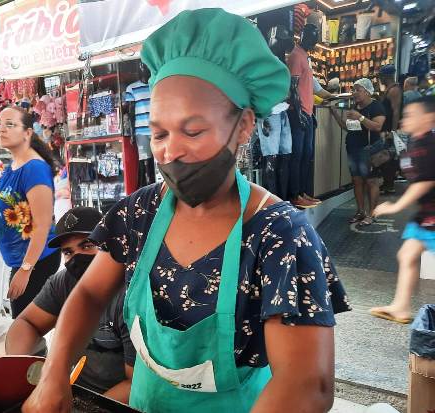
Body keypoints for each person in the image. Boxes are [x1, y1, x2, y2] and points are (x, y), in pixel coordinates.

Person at [23, 9, 350, 413]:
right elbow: (89, 294)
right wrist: (55, 372)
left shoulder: (279, 236)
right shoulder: (138, 214)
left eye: (192, 131)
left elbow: (306, 385)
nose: (170, 151)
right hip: (145, 402)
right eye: (159, 132)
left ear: (244, 125)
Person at [5, 207, 134, 402]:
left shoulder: (129, 295)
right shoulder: (63, 282)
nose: (77, 258)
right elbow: (27, 323)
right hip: (73, 391)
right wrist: (24, 372)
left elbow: (137, 383)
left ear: (107, 245)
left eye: (87, 245)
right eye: (68, 252)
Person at [0, 106, 61, 317]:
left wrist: (25, 270)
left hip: (35, 261)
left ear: (28, 133)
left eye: (10, 124)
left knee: (25, 327)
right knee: (23, 324)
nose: (1, 129)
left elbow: (42, 225)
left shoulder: (34, 169)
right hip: (22, 260)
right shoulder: (13, 165)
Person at [371, 96, 435, 323]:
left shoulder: (428, 144)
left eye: (411, 114)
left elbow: (424, 182)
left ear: (428, 118)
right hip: (426, 215)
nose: (405, 118)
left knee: (408, 255)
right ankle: (401, 307)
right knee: (407, 255)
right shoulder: (416, 142)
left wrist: (395, 206)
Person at [330, 78, 386, 226]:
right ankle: (360, 211)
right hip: (353, 148)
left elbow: (377, 127)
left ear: (367, 92)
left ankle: (372, 213)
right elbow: (349, 128)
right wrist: (335, 114)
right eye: (353, 90)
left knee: (371, 181)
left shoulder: (376, 106)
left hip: (369, 149)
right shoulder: (355, 107)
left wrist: (360, 117)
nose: (354, 93)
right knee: (357, 181)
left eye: (357, 90)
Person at [287, 24, 322, 209]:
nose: (314, 42)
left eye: (316, 38)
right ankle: (295, 194)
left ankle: (302, 192)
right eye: (311, 37)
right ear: (302, 36)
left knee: (306, 155)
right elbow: (292, 88)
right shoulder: (296, 56)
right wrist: (300, 112)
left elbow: (306, 88)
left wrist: (310, 112)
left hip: (307, 112)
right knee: (298, 155)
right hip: (298, 113)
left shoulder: (305, 56)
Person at [378, 65, 403, 195]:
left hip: (389, 130)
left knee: (388, 157)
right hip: (386, 129)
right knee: (386, 156)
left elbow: (396, 110)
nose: (379, 79)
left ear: (385, 76)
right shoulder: (389, 90)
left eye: (380, 76)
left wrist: (393, 131)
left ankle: (389, 184)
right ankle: (387, 183)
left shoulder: (394, 90)